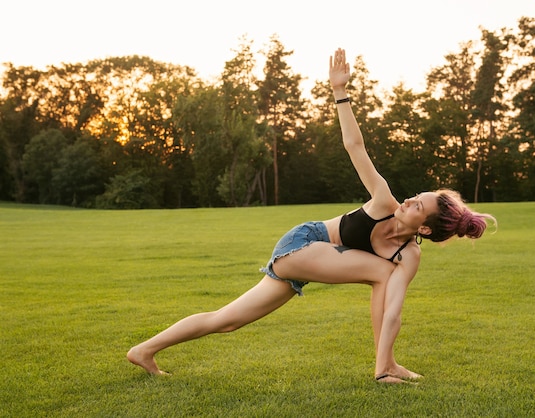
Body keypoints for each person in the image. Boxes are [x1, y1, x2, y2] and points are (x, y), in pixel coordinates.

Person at [127, 48, 495, 384]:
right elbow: (355, 145)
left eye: (419, 205)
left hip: (306, 265)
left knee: (227, 321)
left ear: (425, 228)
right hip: (303, 243)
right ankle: (384, 368)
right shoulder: (384, 201)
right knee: (383, 273)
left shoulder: (409, 256)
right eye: (417, 196)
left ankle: (143, 350)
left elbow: (393, 312)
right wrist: (340, 92)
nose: (411, 200)